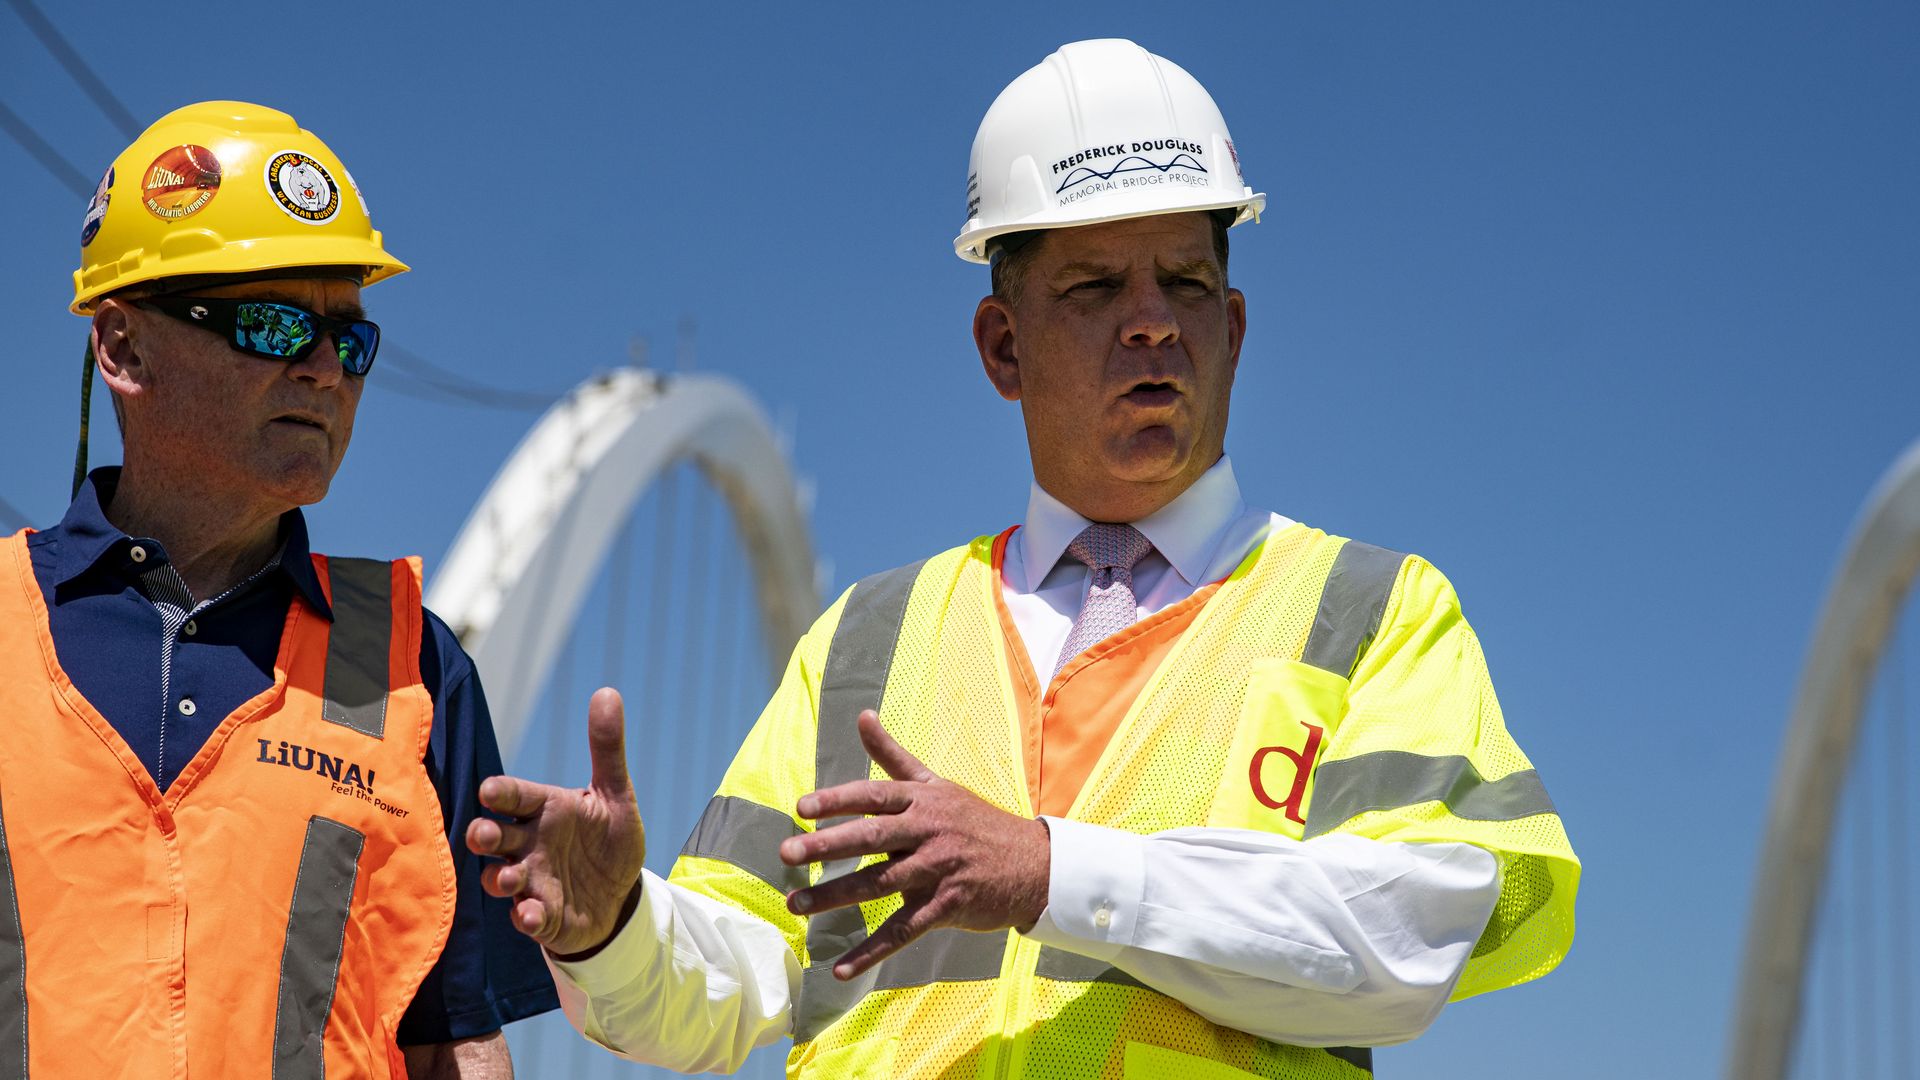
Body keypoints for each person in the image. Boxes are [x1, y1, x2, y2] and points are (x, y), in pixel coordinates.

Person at [467, 39, 1580, 1078]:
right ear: (1004, 348)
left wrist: (1054, 872)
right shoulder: (866, 638)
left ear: (1233, 329)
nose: (1153, 324)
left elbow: (1410, 933)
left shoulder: (1372, 612)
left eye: (1185, 284)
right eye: (1095, 288)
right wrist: (613, 929)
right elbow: (742, 978)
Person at [0, 102, 558, 1077]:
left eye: (351, 341)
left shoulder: (413, 670)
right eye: (273, 325)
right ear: (122, 348)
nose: (324, 371)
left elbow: (456, 1049)